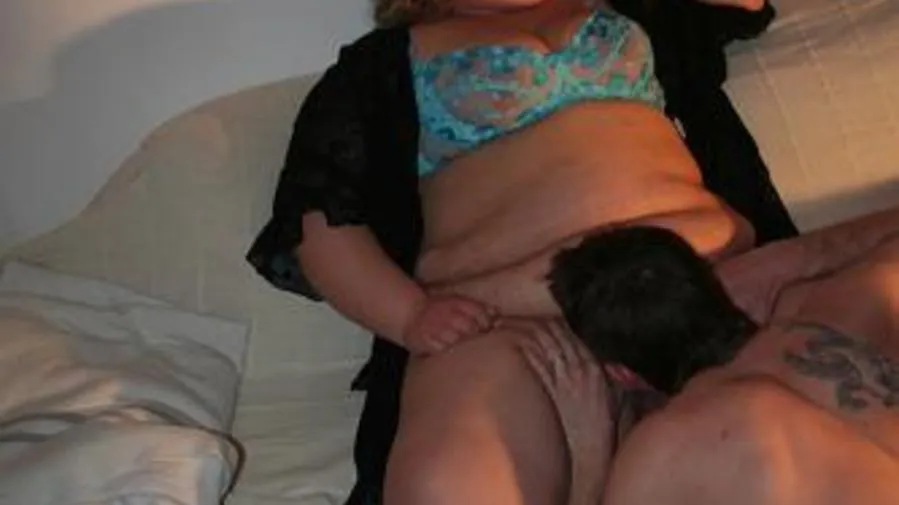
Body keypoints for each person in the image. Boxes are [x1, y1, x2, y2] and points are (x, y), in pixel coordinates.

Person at [246, 0, 798, 503]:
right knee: (453, 488)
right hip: (502, 317)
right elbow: (314, 219)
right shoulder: (378, 66)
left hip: (702, 282)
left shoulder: (631, 8)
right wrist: (410, 316)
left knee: (784, 461)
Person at [524, 205, 899, 504]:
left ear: (624, 374)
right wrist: (799, 255)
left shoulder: (660, 455)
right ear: (711, 280)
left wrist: (590, 456)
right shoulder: (855, 301)